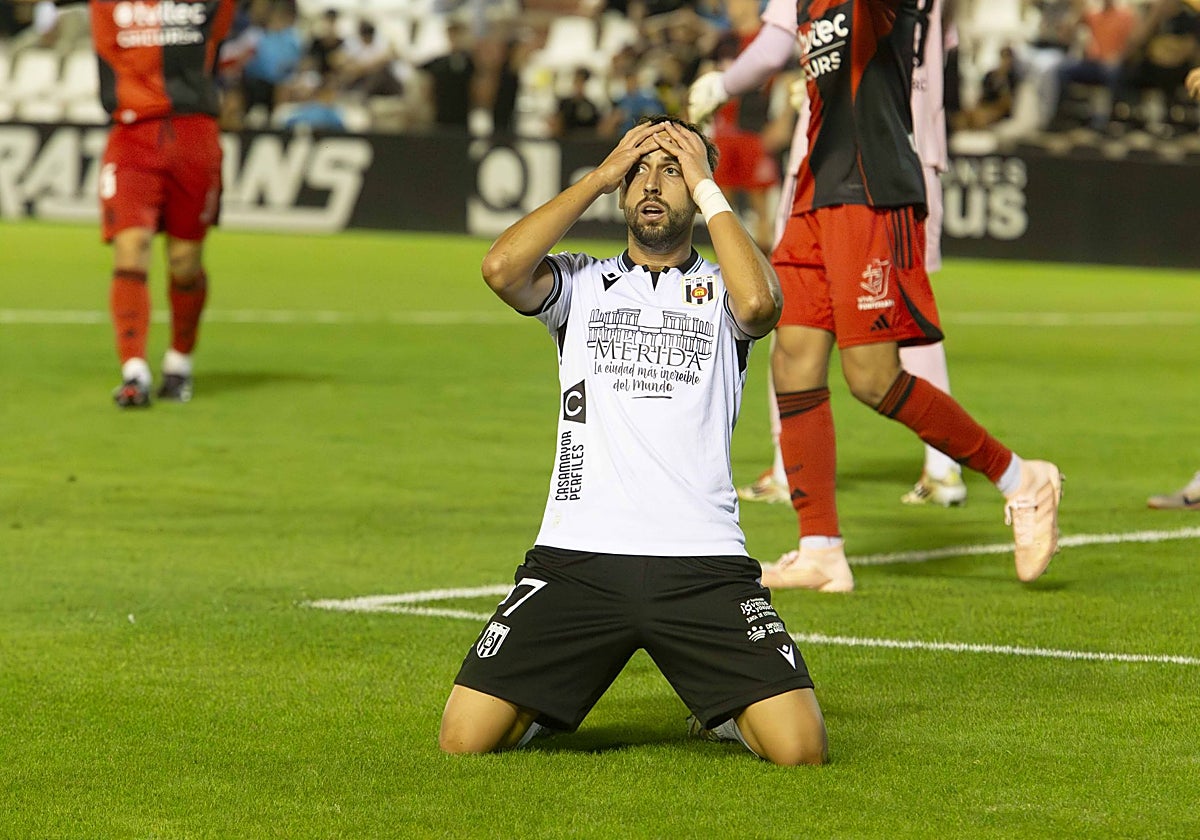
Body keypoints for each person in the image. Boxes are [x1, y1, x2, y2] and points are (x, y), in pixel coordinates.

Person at [439, 116, 828, 766]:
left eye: (672, 170)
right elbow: (501, 267)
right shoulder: (579, 283)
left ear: (700, 188)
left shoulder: (720, 294)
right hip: (576, 560)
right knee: (464, 739)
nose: (653, 184)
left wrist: (707, 186)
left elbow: (762, 306)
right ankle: (550, 699)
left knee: (801, 748)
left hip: (700, 564)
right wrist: (597, 176)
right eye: (639, 169)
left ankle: (721, 716)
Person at [694, 0, 1063, 592]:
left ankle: (1021, 478)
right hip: (815, 192)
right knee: (792, 361)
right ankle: (821, 550)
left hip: (871, 190)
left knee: (871, 377)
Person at [691, 0, 967, 510]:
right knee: (902, 315)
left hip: (836, 163)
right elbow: (935, 46)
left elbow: (774, 46)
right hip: (914, 152)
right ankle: (943, 466)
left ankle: (785, 467)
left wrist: (721, 85)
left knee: (799, 321)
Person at [90, 0, 236, 407]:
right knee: (130, 249)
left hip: (194, 136)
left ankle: (179, 361)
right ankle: (134, 371)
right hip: (132, 135)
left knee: (185, 262)